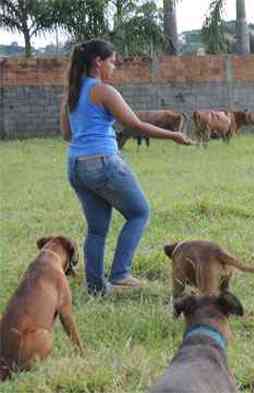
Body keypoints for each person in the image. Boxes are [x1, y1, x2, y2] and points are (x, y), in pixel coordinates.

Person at [59, 39, 192, 296]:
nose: (114, 67)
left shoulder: (71, 93)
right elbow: (134, 125)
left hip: (75, 166)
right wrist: (173, 136)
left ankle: (96, 287)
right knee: (139, 212)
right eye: (112, 62)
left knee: (97, 229)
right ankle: (120, 274)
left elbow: (67, 134)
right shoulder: (104, 91)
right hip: (102, 163)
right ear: (98, 62)